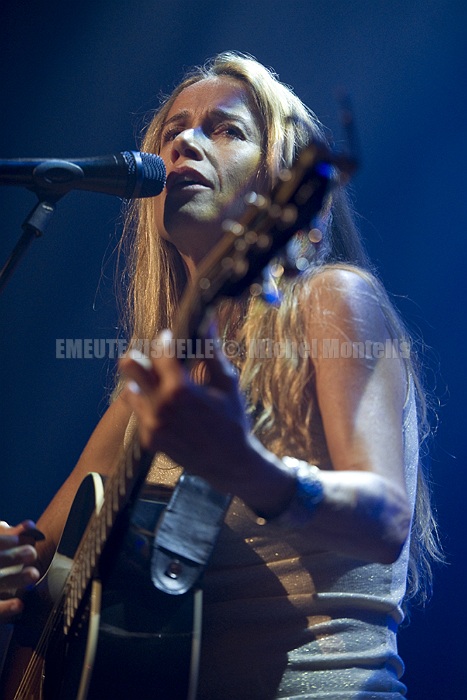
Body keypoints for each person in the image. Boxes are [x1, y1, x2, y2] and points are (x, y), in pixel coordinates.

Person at [0, 51, 441, 699]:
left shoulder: (332, 300)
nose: (184, 143)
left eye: (225, 129)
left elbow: (384, 521)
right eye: (173, 131)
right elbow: (46, 554)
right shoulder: (159, 377)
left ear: (284, 186)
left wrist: (244, 465)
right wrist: (10, 564)